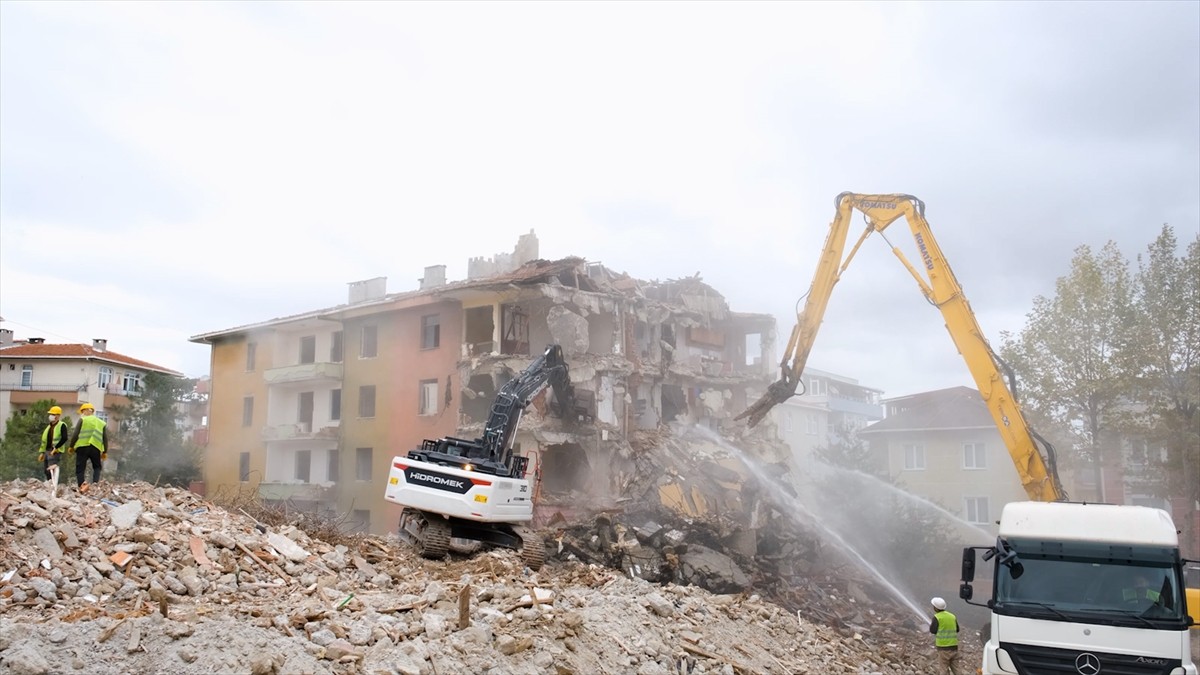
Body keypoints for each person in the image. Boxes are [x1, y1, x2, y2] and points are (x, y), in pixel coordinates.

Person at [68, 402, 107, 493]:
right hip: (95, 447)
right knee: (97, 467)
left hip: (82, 447)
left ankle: (82, 485)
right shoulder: (101, 423)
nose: (82, 413)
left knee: (80, 468)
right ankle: (95, 484)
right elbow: (105, 438)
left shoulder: (83, 420)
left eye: (82, 411)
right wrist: (105, 451)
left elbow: (75, 434)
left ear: (86, 410)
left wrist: (71, 446)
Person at [929, 596, 961, 675]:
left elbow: (932, 630)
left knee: (944, 669)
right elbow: (957, 629)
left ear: (936, 608)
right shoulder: (952, 616)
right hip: (954, 647)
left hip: (943, 648)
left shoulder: (937, 617)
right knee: (956, 669)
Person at [37, 405, 70, 481]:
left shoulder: (62, 425)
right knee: (46, 470)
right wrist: (42, 452)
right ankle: (49, 483)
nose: (51, 416)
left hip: (55, 451)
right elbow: (45, 441)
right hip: (47, 450)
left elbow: (64, 438)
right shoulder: (49, 427)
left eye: (53, 414)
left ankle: (53, 485)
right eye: (51, 414)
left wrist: (56, 448)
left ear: (58, 415)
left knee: (51, 469)